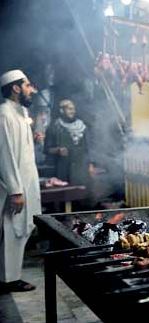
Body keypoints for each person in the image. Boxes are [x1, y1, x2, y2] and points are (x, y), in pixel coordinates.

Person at [0, 70, 41, 292]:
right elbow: (5, 155)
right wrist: (15, 191)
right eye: (27, 85)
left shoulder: (21, 112)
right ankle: (8, 280)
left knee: (22, 229)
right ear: (15, 88)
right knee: (11, 229)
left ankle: (11, 276)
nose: (31, 89)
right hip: (14, 187)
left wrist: (33, 137)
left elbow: (21, 150)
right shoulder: (5, 114)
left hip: (26, 183)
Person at [44, 99, 94, 186]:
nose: (73, 111)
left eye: (73, 109)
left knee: (82, 194)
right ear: (61, 110)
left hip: (82, 169)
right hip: (63, 170)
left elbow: (89, 147)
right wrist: (58, 150)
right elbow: (47, 149)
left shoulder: (83, 126)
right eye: (69, 109)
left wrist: (91, 164)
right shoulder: (54, 127)